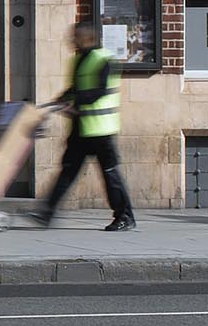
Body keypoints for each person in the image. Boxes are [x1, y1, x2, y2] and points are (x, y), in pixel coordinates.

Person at [36, 16, 135, 232]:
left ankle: (125, 216)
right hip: (80, 127)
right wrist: (61, 99)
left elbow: (99, 91)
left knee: (110, 174)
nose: (71, 41)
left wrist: (74, 104)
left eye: (75, 37)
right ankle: (47, 213)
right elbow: (75, 87)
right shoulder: (77, 59)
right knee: (67, 171)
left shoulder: (105, 60)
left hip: (101, 129)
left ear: (88, 38)